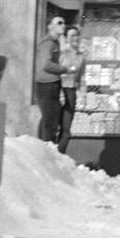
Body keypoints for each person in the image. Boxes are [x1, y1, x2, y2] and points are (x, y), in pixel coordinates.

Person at [34, 15, 69, 144]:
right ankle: (46, 148)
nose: (63, 25)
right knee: (50, 120)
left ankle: (44, 147)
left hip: (51, 84)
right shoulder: (47, 43)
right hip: (46, 85)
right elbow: (46, 64)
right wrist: (64, 69)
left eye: (64, 23)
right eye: (59, 23)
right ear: (50, 27)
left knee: (49, 118)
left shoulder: (55, 42)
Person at [57, 24, 87, 154]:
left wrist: (82, 94)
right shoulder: (62, 52)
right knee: (55, 126)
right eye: (72, 35)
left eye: (77, 35)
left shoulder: (81, 56)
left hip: (71, 92)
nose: (75, 38)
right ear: (67, 38)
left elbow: (81, 77)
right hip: (60, 90)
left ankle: (60, 155)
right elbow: (55, 72)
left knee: (66, 128)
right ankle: (50, 154)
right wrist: (59, 92)